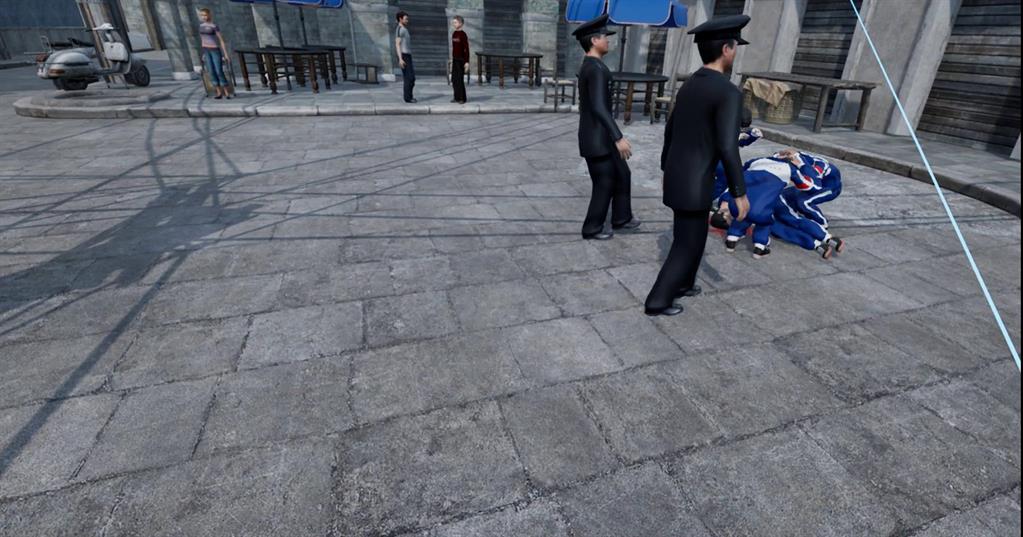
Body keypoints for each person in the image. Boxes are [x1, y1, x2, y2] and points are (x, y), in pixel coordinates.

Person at [644, 15, 751, 316]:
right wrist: (739, 192)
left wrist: (665, 169)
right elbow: (728, 146)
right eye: (734, 47)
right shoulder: (728, 92)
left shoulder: (690, 84)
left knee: (694, 236)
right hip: (697, 178)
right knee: (686, 244)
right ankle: (658, 300)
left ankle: (685, 284)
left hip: (678, 174)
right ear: (726, 49)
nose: (735, 52)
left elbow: (670, 130)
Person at [572, 14, 639, 241]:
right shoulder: (596, 69)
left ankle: (622, 217)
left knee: (622, 173)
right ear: (594, 41)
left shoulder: (593, 66)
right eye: (604, 37)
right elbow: (600, 107)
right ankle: (591, 228)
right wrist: (618, 137)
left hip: (600, 136)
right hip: (596, 138)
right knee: (604, 182)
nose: (608, 40)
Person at [719, 151, 823, 259]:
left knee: (743, 215)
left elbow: (739, 174)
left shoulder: (757, 161)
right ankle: (760, 247)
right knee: (765, 222)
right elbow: (811, 186)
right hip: (760, 210)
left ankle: (732, 238)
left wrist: (725, 199)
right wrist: (802, 165)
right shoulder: (789, 169)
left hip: (738, 204)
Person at [198, 7, 231, 100]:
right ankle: (218, 92)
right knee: (211, 71)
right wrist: (203, 53)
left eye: (205, 15)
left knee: (219, 70)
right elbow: (202, 40)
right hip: (206, 50)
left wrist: (225, 54)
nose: (203, 17)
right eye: (202, 15)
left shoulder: (214, 26)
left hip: (215, 50)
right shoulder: (201, 26)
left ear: (209, 15)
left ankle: (226, 91)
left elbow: (221, 40)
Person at [395, 11, 416, 103]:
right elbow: (397, 44)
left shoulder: (404, 29)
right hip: (403, 56)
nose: (407, 20)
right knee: (409, 77)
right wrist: (400, 59)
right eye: (405, 19)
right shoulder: (399, 29)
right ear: (400, 19)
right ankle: (408, 98)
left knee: (411, 78)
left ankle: (409, 96)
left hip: (408, 55)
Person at [451, 16, 470, 104]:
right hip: (455, 59)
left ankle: (462, 98)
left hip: (461, 60)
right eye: (453, 22)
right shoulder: (454, 33)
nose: (454, 24)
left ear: (461, 23)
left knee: (459, 79)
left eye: (455, 22)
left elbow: (466, 49)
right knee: (454, 79)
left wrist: (466, 62)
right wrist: (452, 59)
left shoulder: (463, 35)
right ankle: (456, 97)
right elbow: (454, 48)